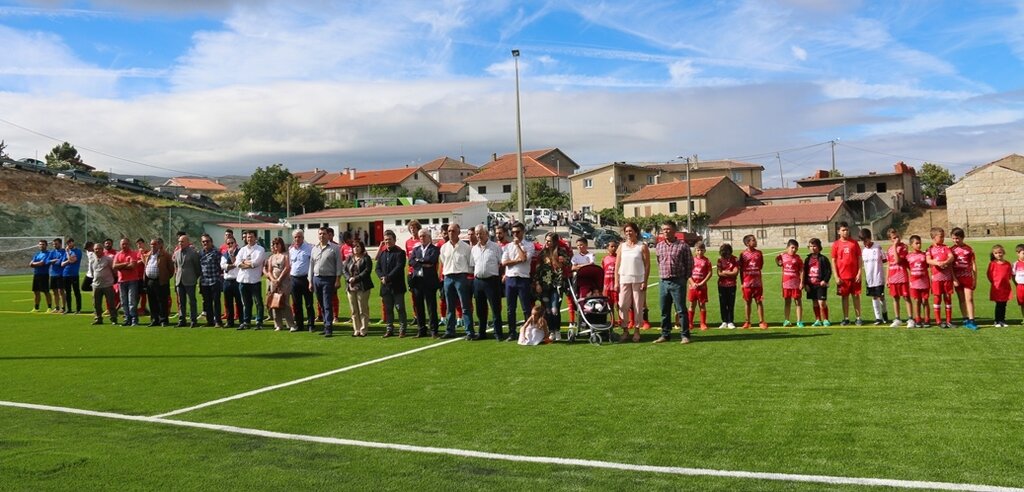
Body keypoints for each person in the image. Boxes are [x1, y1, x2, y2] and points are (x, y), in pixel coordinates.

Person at [653, 220, 694, 344]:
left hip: (678, 281)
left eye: (668, 229)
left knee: (681, 310)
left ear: (674, 230)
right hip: (664, 281)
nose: (665, 231)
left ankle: (685, 335)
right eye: (664, 229)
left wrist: (684, 278)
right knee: (664, 310)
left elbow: (689, 263)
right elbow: (658, 261)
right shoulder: (659, 246)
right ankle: (665, 334)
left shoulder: (683, 246)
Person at [615, 222, 649, 342]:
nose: (628, 233)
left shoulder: (642, 246)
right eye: (626, 231)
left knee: (638, 307)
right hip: (624, 279)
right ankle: (625, 330)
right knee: (623, 304)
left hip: (638, 280)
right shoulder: (621, 246)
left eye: (631, 231)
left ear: (636, 232)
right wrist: (616, 282)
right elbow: (617, 265)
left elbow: (647, 265)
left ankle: (637, 331)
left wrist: (645, 281)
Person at [439, 223, 474, 339]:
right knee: (450, 306)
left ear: (459, 232)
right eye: (449, 231)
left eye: (453, 231)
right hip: (448, 277)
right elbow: (443, 262)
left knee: (465, 306)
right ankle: (450, 330)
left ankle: (469, 331)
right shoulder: (444, 247)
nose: (450, 233)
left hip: (461, 277)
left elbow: (470, 264)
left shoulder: (466, 247)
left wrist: (464, 274)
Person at [501, 222, 533, 342]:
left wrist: (519, 246)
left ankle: (528, 332)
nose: (515, 234)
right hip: (510, 279)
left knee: (526, 308)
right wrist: (517, 260)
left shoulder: (529, 245)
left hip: (523, 279)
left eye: (517, 232)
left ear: (523, 232)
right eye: (513, 232)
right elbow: (504, 262)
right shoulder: (508, 246)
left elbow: (525, 258)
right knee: (510, 308)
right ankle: (512, 333)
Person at [536, 232, 570, 341]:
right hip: (545, 285)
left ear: (554, 242)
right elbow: (538, 269)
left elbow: (569, 263)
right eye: (546, 240)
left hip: (557, 285)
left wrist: (564, 261)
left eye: (549, 241)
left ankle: (557, 331)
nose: (546, 242)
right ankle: (551, 330)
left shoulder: (561, 251)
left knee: (555, 309)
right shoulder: (543, 253)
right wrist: (537, 283)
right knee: (548, 310)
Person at [472, 225, 504, 341]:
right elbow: (472, 265)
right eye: (476, 233)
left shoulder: (495, 247)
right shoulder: (474, 249)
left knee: (495, 308)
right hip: (478, 281)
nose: (478, 236)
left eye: (480, 233)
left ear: (486, 233)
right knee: (480, 309)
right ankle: (481, 333)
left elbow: (502, 263)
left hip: (492, 281)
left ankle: (498, 333)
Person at [310, 226, 344, 337]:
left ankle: (329, 327)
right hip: (316, 278)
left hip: (329, 279)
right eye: (320, 234)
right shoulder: (314, 249)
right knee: (321, 304)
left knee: (327, 303)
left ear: (327, 235)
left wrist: (338, 279)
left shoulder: (334, 248)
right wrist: (310, 281)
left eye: (324, 233)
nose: (321, 236)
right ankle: (325, 325)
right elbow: (311, 266)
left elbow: (339, 264)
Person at [377, 230, 409, 337]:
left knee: (400, 308)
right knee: (388, 309)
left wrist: (388, 278)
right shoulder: (382, 253)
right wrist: (381, 277)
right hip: (385, 287)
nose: (387, 242)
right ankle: (389, 329)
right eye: (386, 240)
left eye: (389, 239)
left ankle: (402, 329)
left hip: (397, 287)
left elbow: (399, 268)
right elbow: (377, 268)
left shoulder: (400, 253)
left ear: (394, 240)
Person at [409, 229, 440, 338]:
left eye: (423, 236)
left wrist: (419, 261)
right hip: (418, 281)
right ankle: (421, 329)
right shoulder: (416, 249)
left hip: (429, 282)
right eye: (420, 236)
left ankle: (434, 330)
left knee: (431, 307)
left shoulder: (434, 249)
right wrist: (422, 262)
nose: (421, 238)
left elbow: (431, 260)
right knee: (419, 307)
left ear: (428, 237)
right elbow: (411, 261)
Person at [831, 222, 863, 326]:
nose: (846, 232)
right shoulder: (836, 244)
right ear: (838, 232)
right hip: (842, 277)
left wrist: (859, 272)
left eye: (847, 230)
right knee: (844, 297)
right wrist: (836, 276)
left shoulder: (854, 243)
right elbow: (833, 260)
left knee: (856, 296)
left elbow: (859, 258)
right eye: (843, 230)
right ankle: (846, 318)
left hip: (854, 276)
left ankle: (858, 318)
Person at [235, 230, 267, 330]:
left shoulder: (260, 249)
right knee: (246, 303)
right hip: (243, 280)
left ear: (255, 238)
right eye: (248, 237)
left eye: (251, 237)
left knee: (258, 303)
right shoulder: (242, 249)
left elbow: (256, 263)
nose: (249, 239)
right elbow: (237, 263)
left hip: (254, 280)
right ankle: (246, 322)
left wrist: (244, 263)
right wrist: (247, 264)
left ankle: (259, 322)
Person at [263, 237, 297, 332]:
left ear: (281, 245)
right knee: (274, 303)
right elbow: (269, 270)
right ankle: (278, 324)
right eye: (274, 244)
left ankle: (291, 324)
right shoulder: (271, 257)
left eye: (277, 244)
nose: (276, 246)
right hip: (274, 282)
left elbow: (287, 268)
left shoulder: (286, 255)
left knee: (285, 302)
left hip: (284, 281)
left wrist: (279, 279)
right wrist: (273, 280)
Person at [926, 227, 955, 328]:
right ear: (934, 237)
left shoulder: (946, 247)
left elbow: (951, 257)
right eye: (941, 237)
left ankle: (949, 321)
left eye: (943, 236)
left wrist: (946, 262)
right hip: (936, 278)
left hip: (947, 277)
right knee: (937, 298)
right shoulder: (930, 249)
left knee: (947, 298)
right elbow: (928, 260)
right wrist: (938, 263)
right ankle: (938, 321)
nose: (943, 238)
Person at [344, 240, 373, 337]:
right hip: (351, 287)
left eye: (358, 246)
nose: (355, 249)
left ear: (362, 248)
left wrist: (356, 278)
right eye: (354, 247)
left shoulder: (366, 258)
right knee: (354, 310)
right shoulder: (349, 258)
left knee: (362, 309)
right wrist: (349, 279)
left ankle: (363, 329)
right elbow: (344, 270)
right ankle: (356, 329)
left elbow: (367, 271)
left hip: (362, 286)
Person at [950, 227, 978, 330]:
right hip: (958, 278)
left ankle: (972, 320)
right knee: (961, 300)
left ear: (962, 238)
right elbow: (950, 266)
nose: (955, 240)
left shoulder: (969, 249)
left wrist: (975, 279)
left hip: (967, 277)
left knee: (969, 299)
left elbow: (974, 265)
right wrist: (954, 279)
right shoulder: (951, 250)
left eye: (957, 238)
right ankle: (965, 319)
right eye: (953, 238)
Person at [141, 238, 173, 327]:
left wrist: (165, 277)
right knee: (152, 301)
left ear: (159, 245)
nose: (152, 246)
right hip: (150, 281)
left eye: (154, 244)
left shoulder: (165, 255)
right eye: (151, 244)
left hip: (161, 281)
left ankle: (163, 320)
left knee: (162, 302)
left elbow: (171, 270)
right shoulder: (148, 255)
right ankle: (154, 319)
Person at [859, 229, 888, 325]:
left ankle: (885, 315)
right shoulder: (863, 251)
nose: (864, 243)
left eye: (865, 240)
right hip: (869, 278)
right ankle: (878, 318)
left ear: (870, 238)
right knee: (874, 297)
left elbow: (884, 260)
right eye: (862, 241)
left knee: (881, 296)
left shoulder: (878, 247)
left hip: (878, 277)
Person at [172, 234, 201, 328]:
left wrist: (194, 277)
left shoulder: (193, 253)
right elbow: (176, 267)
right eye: (179, 241)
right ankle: (182, 320)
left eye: (182, 241)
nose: (180, 243)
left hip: (190, 280)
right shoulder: (176, 253)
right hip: (179, 280)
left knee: (192, 301)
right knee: (181, 302)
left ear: (188, 242)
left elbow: (197, 268)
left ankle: (193, 320)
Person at [886, 228, 913, 327]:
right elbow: (889, 264)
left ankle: (910, 319)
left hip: (902, 275)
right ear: (890, 239)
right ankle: (897, 318)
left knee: (906, 297)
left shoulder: (903, 247)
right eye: (894, 238)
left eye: (898, 236)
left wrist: (895, 246)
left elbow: (897, 261)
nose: (897, 238)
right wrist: (887, 278)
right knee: (895, 298)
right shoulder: (889, 249)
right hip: (893, 277)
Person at [288, 230, 314, 332]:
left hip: (305, 279)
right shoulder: (291, 250)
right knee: (297, 304)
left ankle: (311, 325)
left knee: (309, 304)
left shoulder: (309, 248)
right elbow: (290, 264)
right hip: (294, 279)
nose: (297, 239)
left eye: (299, 237)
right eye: (295, 237)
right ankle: (299, 325)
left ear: (303, 238)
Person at [113, 238, 142, 326]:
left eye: (126, 244)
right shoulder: (118, 254)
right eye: (123, 244)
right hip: (121, 281)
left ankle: (134, 320)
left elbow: (132, 266)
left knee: (132, 301)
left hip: (132, 280)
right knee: (123, 302)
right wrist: (126, 263)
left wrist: (120, 266)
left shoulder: (133, 253)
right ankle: (127, 319)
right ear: (120, 245)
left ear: (129, 244)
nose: (124, 246)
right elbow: (114, 266)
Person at [739, 234, 766, 329]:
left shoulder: (759, 253)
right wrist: (742, 283)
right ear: (747, 243)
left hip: (757, 282)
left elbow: (761, 265)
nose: (755, 241)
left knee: (759, 301)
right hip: (747, 283)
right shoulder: (742, 254)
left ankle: (762, 321)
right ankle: (747, 322)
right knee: (747, 302)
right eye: (753, 240)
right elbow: (741, 270)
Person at [567, 237, 595, 332]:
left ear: (586, 245)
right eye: (578, 245)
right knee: (579, 300)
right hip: (578, 281)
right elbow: (573, 268)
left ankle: (589, 321)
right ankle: (581, 321)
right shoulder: (575, 257)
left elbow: (591, 265)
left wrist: (579, 266)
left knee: (588, 300)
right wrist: (584, 266)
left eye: (581, 245)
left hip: (589, 281)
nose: (580, 247)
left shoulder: (591, 255)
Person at [803, 238, 832, 326]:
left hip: (820, 285)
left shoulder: (823, 259)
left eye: (814, 246)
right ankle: (818, 320)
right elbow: (804, 272)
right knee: (815, 302)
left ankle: (826, 319)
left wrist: (825, 280)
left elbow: (828, 271)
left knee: (821, 303)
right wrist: (806, 284)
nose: (813, 248)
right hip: (811, 285)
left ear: (819, 247)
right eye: (811, 246)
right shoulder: (807, 260)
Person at [776, 239, 804, 328]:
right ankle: (786, 320)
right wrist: (778, 259)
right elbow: (778, 263)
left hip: (796, 283)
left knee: (798, 302)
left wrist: (802, 282)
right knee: (787, 302)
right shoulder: (783, 256)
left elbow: (802, 271)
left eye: (796, 248)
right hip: (786, 284)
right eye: (792, 247)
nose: (794, 250)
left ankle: (799, 321)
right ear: (787, 247)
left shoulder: (798, 258)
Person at [197, 234, 224, 327]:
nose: (205, 243)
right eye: (203, 241)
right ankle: (210, 321)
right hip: (204, 281)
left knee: (216, 302)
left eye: (207, 241)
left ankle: (218, 321)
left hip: (214, 280)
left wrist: (219, 278)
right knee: (207, 302)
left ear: (211, 242)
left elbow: (220, 266)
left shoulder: (216, 252)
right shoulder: (200, 253)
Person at [88, 242, 117, 325]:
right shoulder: (92, 260)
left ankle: (113, 319)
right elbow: (93, 273)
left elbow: (114, 271)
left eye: (99, 249)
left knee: (111, 303)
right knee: (96, 304)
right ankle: (98, 319)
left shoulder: (108, 259)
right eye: (95, 249)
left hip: (107, 285)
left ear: (102, 250)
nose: (97, 250)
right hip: (96, 285)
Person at [907, 235, 931, 327]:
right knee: (917, 301)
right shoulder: (908, 256)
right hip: (914, 282)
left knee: (925, 300)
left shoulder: (925, 255)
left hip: (924, 281)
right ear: (911, 245)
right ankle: (917, 319)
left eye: (920, 243)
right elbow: (907, 266)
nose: (919, 245)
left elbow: (928, 265)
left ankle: (927, 319)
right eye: (916, 243)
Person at [687, 241, 712, 331]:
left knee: (702, 305)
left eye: (701, 250)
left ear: (704, 250)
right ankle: (690, 323)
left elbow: (710, 273)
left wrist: (702, 283)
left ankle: (703, 323)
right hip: (692, 287)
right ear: (695, 251)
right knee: (692, 305)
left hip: (702, 287)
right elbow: (688, 273)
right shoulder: (691, 260)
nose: (700, 252)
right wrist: (692, 283)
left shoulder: (707, 261)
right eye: (698, 250)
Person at [220, 236, 243, 328]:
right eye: (228, 243)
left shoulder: (240, 252)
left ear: (235, 243)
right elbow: (223, 266)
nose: (230, 245)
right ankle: (230, 322)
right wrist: (232, 265)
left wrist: (232, 259)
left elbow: (238, 264)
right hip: (227, 281)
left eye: (232, 243)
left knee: (239, 302)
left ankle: (242, 321)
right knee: (228, 303)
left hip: (237, 280)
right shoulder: (224, 254)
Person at [988, 244, 1011, 328]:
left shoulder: (1007, 264)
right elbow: (989, 275)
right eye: (996, 253)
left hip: (1005, 288)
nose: (998, 254)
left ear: (1003, 252)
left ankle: (1002, 320)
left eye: (1000, 252)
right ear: (993, 254)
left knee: (1004, 304)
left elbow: (1009, 275)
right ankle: (997, 320)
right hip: (997, 287)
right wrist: (995, 282)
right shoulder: (992, 264)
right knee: (998, 304)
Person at [716, 243, 738, 329]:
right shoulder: (719, 260)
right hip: (722, 285)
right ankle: (724, 321)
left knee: (731, 303)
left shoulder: (735, 259)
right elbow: (719, 273)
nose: (726, 255)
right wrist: (730, 273)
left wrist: (725, 272)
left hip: (732, 285)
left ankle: (730, 321)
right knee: (723, 303)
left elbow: (735, 272)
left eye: (728, 253)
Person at [60, 238, 83, 314]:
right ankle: (69, 309)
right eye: (67, 243)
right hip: (65, 274)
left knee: (76, 292)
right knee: (67, 292)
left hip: (74, 274)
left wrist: (67, 253)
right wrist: (68, 260)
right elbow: (62, 264)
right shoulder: (66, 252)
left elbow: (73, 260)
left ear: (73, 243)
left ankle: (78, 309)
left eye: (70, 243)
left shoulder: (77, 251)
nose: (69, 244)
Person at [29, 239, 52, 312]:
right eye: (40, 244)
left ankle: (49, 307)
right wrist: (35, 264)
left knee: (46, 291)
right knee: (36, 292)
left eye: (43, 244)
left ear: (46, 245)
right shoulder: (37, 254)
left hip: (44, 275)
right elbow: (30, 264)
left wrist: (34, 264)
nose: (41, 246)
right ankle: (36, 308)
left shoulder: (48, 253)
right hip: (36, 274)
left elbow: (42, 263)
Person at [601, 241, 619, 326]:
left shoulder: (619, 258)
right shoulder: (604, 259)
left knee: (618, 304)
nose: (613, 248)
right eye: (611, 246)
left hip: (616, 285)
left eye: (615, 246)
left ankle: (621, 320)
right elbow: (603, 271)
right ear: (607, 248)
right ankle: (613, 320)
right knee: (609, 305)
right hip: (607, 286)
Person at [48, 237, 66, 313]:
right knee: (54, 291)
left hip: (61, 274)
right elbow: (47, 261)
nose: (55, 245)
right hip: (53, 274)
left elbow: (60, 263)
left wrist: (53, 261)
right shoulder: (52, 252)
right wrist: (53, 261)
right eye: (53, 244)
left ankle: (64, 307)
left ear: (60, 244)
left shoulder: (64, 252)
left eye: (56, 244)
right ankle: (57, 307)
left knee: (61, 291)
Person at [134, 238, 149, 316]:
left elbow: (145, 262)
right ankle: (136, 308)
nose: (139, 245)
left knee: (143, 293)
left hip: (144, 276)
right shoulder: (136, 253)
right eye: (137, 244)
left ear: (144, 244)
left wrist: (142, 256)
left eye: (140, 243)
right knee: (136, 294)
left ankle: (143, 308)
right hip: (137, 276)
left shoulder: (147, 252)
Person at [1014, 244, 1024, 323]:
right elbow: (1013, 275)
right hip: (1020, 286)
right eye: (1023, 253)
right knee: (1022, 303)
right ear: (1018, 253)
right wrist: (1016, 284)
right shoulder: (1015, 264)